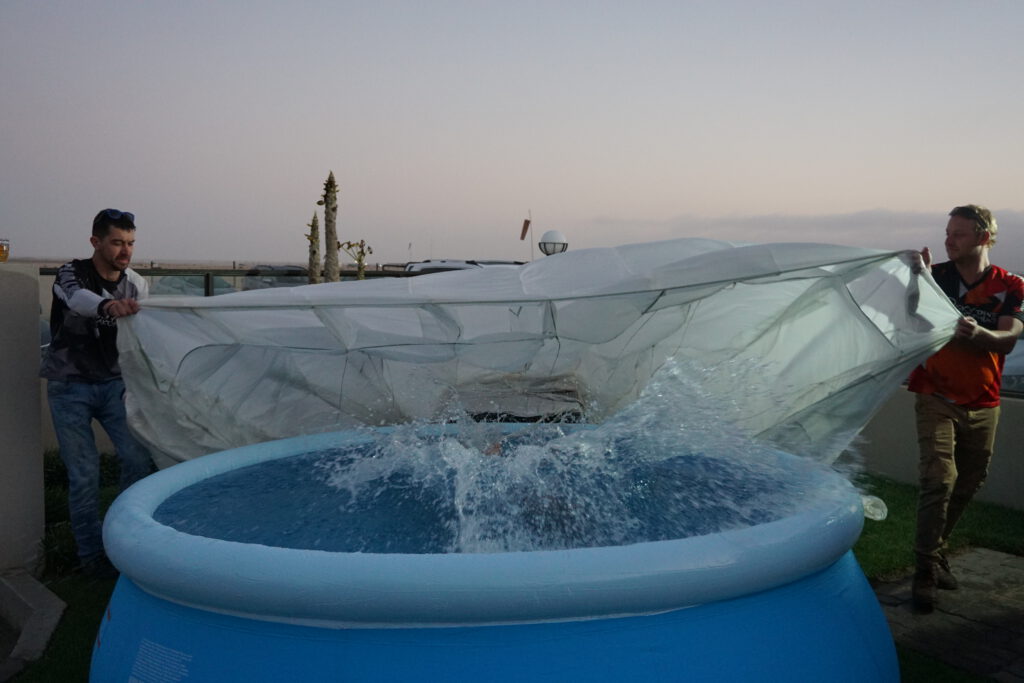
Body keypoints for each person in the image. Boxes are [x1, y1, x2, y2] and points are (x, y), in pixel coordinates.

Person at [907, 204, 1024, 613]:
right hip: (934, 394)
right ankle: (924, 571)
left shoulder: (1011, 284)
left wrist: (978, 332)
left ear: (983, 237)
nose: (948, 240)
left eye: (957, 233)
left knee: (969, 480)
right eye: (947, 232)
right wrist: (915, 281)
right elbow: (910, 319)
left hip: (984, 400)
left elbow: (1010, 337)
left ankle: (935, 553)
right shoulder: (936, 276)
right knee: (939, 479)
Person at [40, 208, 153, 578]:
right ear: (96, 242)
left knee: (138, 458)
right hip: (69, 387)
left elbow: (144, 328)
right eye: (117, 242)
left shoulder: (136, 282)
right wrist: (107, 305)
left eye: (131, 243)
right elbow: (78, 301)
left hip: (114, 385)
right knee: (85, 474)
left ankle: (123, 540)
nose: (126, 251)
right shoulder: (71, 274)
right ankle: (90, 559)